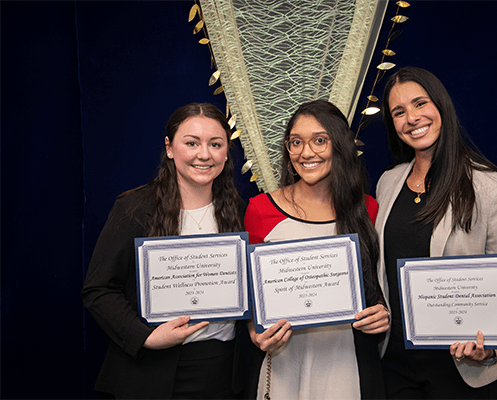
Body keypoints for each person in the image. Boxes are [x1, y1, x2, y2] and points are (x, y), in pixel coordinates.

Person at [375, 66, 497, 398]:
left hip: (463, 369)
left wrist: (489, 349)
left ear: (441, 106)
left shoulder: (493, 190)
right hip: (395, 365)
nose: (411, 118)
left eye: (419, 104)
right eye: (398, 112)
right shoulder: (388, 183)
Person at [82, 103, 247, 399]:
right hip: (149, 372)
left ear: (226, 152)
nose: (204, 154)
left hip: (222, 371)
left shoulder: (240, 211)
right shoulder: (134, 208)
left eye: (215, 144)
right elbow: (98, 289)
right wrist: (145, 336)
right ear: (170, 148)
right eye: (192, 143)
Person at [243, 99, 389, 399]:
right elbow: (250, 294)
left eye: (319, 141)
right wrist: (254, 331)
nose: (306, 153)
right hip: (285, 359)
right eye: (296, 142)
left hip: (348, 362)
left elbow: (377, 284)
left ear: (340, 145)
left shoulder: (368, 209)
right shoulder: (260, 210)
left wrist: (382, 313)